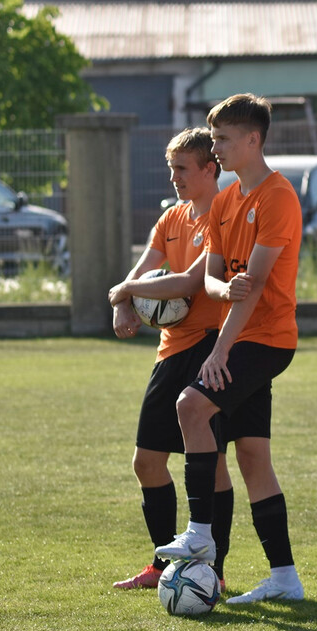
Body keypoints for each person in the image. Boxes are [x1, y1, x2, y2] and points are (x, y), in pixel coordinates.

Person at [154, 93, 306, 605]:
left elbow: (255, 284)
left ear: (252, 140)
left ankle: (199, 532)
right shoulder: (223, 201)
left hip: (266, 339)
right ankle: (285, 578)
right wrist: (223, 289)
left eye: (221, 139)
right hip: (239, 333)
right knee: (254, 457)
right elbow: (217, 283)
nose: (215, 148)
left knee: (190, 406)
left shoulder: (277, 197)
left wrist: (218, 352)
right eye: (213, 138)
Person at [108, 127, 234, 593]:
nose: (174, 177)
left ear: (209, 167)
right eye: (170, 168)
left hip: (209, 347)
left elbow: (186, 283)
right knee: (147, 462)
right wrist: (125, 301)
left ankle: (213, 571)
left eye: (182, 168)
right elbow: (140, 270)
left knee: (215, 463)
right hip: (170, 350)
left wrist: (126, 292)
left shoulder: (224, 217)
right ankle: (164, 561)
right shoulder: (171, 219)